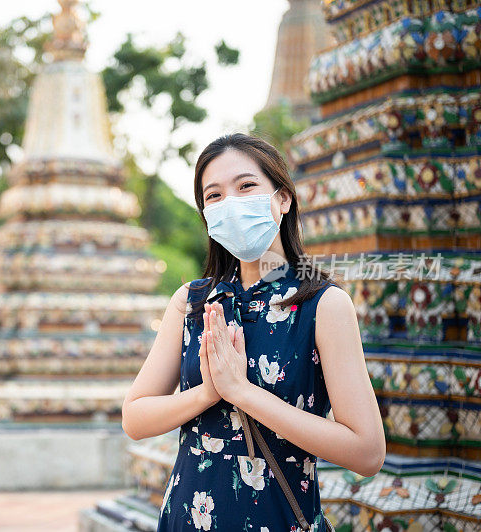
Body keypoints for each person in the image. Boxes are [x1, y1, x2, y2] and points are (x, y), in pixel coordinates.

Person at [121, 133, 385, 531]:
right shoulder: (192, 302)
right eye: (214, 196)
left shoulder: (323, 304)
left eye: (246, 186)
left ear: (282, 198)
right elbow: (135, 418)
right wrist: (210, 392)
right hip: (187, 517)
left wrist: (243, 392)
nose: (231, 203)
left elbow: (367, 452)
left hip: (277, 519)